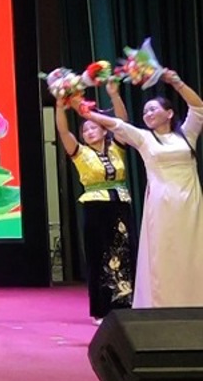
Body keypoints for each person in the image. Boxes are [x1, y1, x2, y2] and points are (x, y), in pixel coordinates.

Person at [80, 69, 203, 308]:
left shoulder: (187, 135)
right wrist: (86, 112)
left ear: (169, 113)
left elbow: (198, 108)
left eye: (153, 109)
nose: (147, 114)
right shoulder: (144, 138)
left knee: (192, 251)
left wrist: (177, 82)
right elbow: (117, 124)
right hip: (160, 203)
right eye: (145, 111)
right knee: (162, 253)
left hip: (190, 202)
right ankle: (162, 305)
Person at [54, 83, 135, 323]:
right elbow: (63, 132)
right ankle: (100, 309)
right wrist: (60, 106)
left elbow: (122, 123)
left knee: (123, 254)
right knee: (98, 256)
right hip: (95, 208)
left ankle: (125, 304)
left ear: (104, 129)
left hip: (120, 205)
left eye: (93, 127)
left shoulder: (117, 148)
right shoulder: (80, 153)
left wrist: (114, 95)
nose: (89, 132)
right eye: (85, 130)